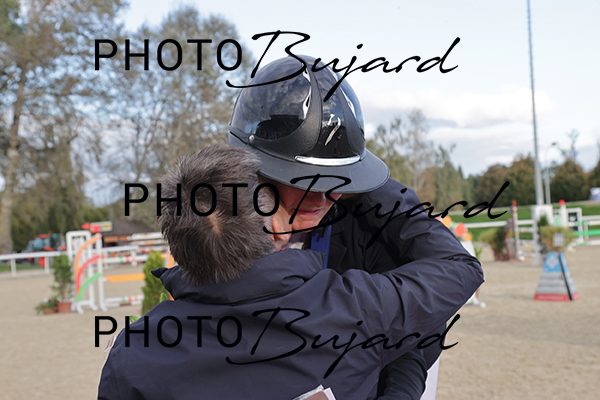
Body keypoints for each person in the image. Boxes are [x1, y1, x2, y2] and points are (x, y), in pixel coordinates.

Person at [98, 145, 483, 400]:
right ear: (275, 230)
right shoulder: (350, 309)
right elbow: (458, 267)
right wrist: (358, 174)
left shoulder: (132, 353)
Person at [228, 55, 483, 399]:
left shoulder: (364, 231)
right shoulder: (222, 231)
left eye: (335, 182)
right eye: (303, 181)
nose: (321, 198)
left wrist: (366, 181)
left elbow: (419, 331)